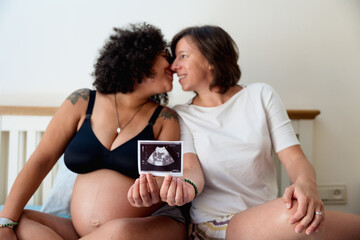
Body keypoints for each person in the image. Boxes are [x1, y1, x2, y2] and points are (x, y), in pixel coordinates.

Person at [128, 25, 360, 240]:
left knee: (303, 212)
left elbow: (295, 159)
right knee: (291, 214)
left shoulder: (261, 95)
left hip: (269, 216)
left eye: (183, 56)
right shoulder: (180, 115)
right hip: (216, 224)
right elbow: (190, 169)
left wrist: (306, 185)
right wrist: (184, 188)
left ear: (210, 58)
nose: (173, 66)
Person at [0, 22, 202, 240]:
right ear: (139, 59)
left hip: (144, 227)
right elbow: (41, 160)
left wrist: (154, 190)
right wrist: (5, 223)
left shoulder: (163, 119)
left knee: (119, 232)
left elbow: (162, 182)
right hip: (79, 232)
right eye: (165, 55)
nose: (172, 65)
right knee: (20, 220)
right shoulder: (82, 102)